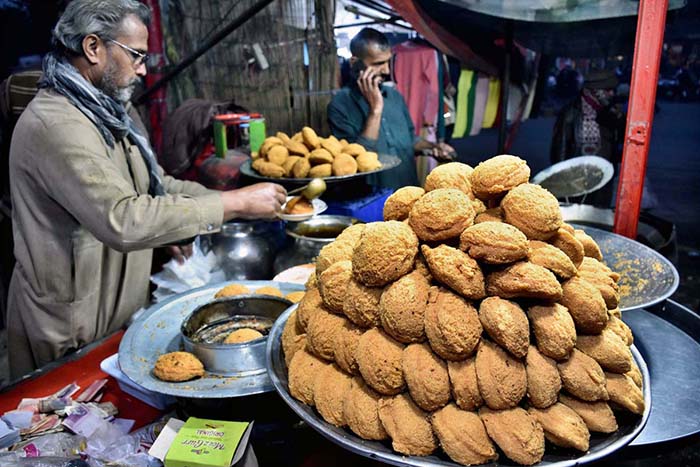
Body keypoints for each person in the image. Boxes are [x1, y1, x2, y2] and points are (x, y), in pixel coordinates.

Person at [6, 0, 287, 378]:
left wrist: (189, 218)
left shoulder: (113, 111)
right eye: (136, 55)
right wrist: (232, 203)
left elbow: (155, 186)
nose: (141, 69)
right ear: (93, 48)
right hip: (72, 322)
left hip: (119, 306)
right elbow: (123, 218)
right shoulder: (57, 126)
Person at [327, 28, 455, 189]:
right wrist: (375, 110)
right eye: (378, 63)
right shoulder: (340, 105)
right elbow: (358, 158)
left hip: (408, 189)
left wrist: (433, 147)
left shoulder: (394, 96)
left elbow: (411, 140)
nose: (387, 70)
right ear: (355, 63)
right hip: (371, 200)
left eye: (388, 61)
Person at [550, 69, 626, 207]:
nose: (612, 94)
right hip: (577, 177)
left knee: (599, 211)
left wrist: (619, 118)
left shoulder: (611, 113)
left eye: (612, 90)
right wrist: (563, 178)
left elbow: (621, 142)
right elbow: (559, 148)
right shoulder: (571, 112)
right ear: (594, 90)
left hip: (604, 176)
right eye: (608, 90)